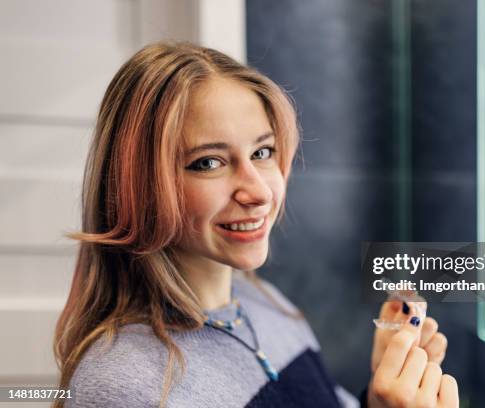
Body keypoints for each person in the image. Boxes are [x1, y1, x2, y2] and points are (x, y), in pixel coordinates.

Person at [53, 41, 458, 408]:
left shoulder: (265, 303)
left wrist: (381, 400)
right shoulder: (123, 386)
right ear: (137, 186)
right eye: (209, 162)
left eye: (263, 152)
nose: (259, 191)